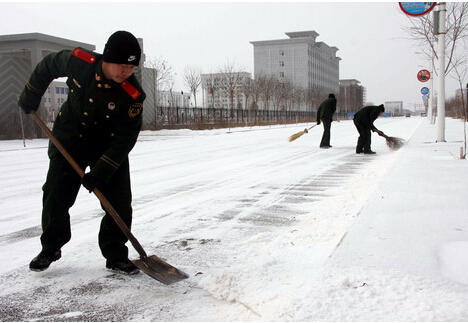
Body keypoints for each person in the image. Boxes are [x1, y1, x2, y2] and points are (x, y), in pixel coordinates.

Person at [18, 31, 146, 275]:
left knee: (119, 203)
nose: (126, 72)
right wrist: (32, 93)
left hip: (106, 147)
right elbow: (48, 65)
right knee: (55, 195)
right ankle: (51, 248)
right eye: (121, 65)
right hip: (69, 139)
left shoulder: (133, 95)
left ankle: (116, 254)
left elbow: (126, 138)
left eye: (131, 67)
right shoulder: (79, 62)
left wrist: (102, 170)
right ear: (107, 59)